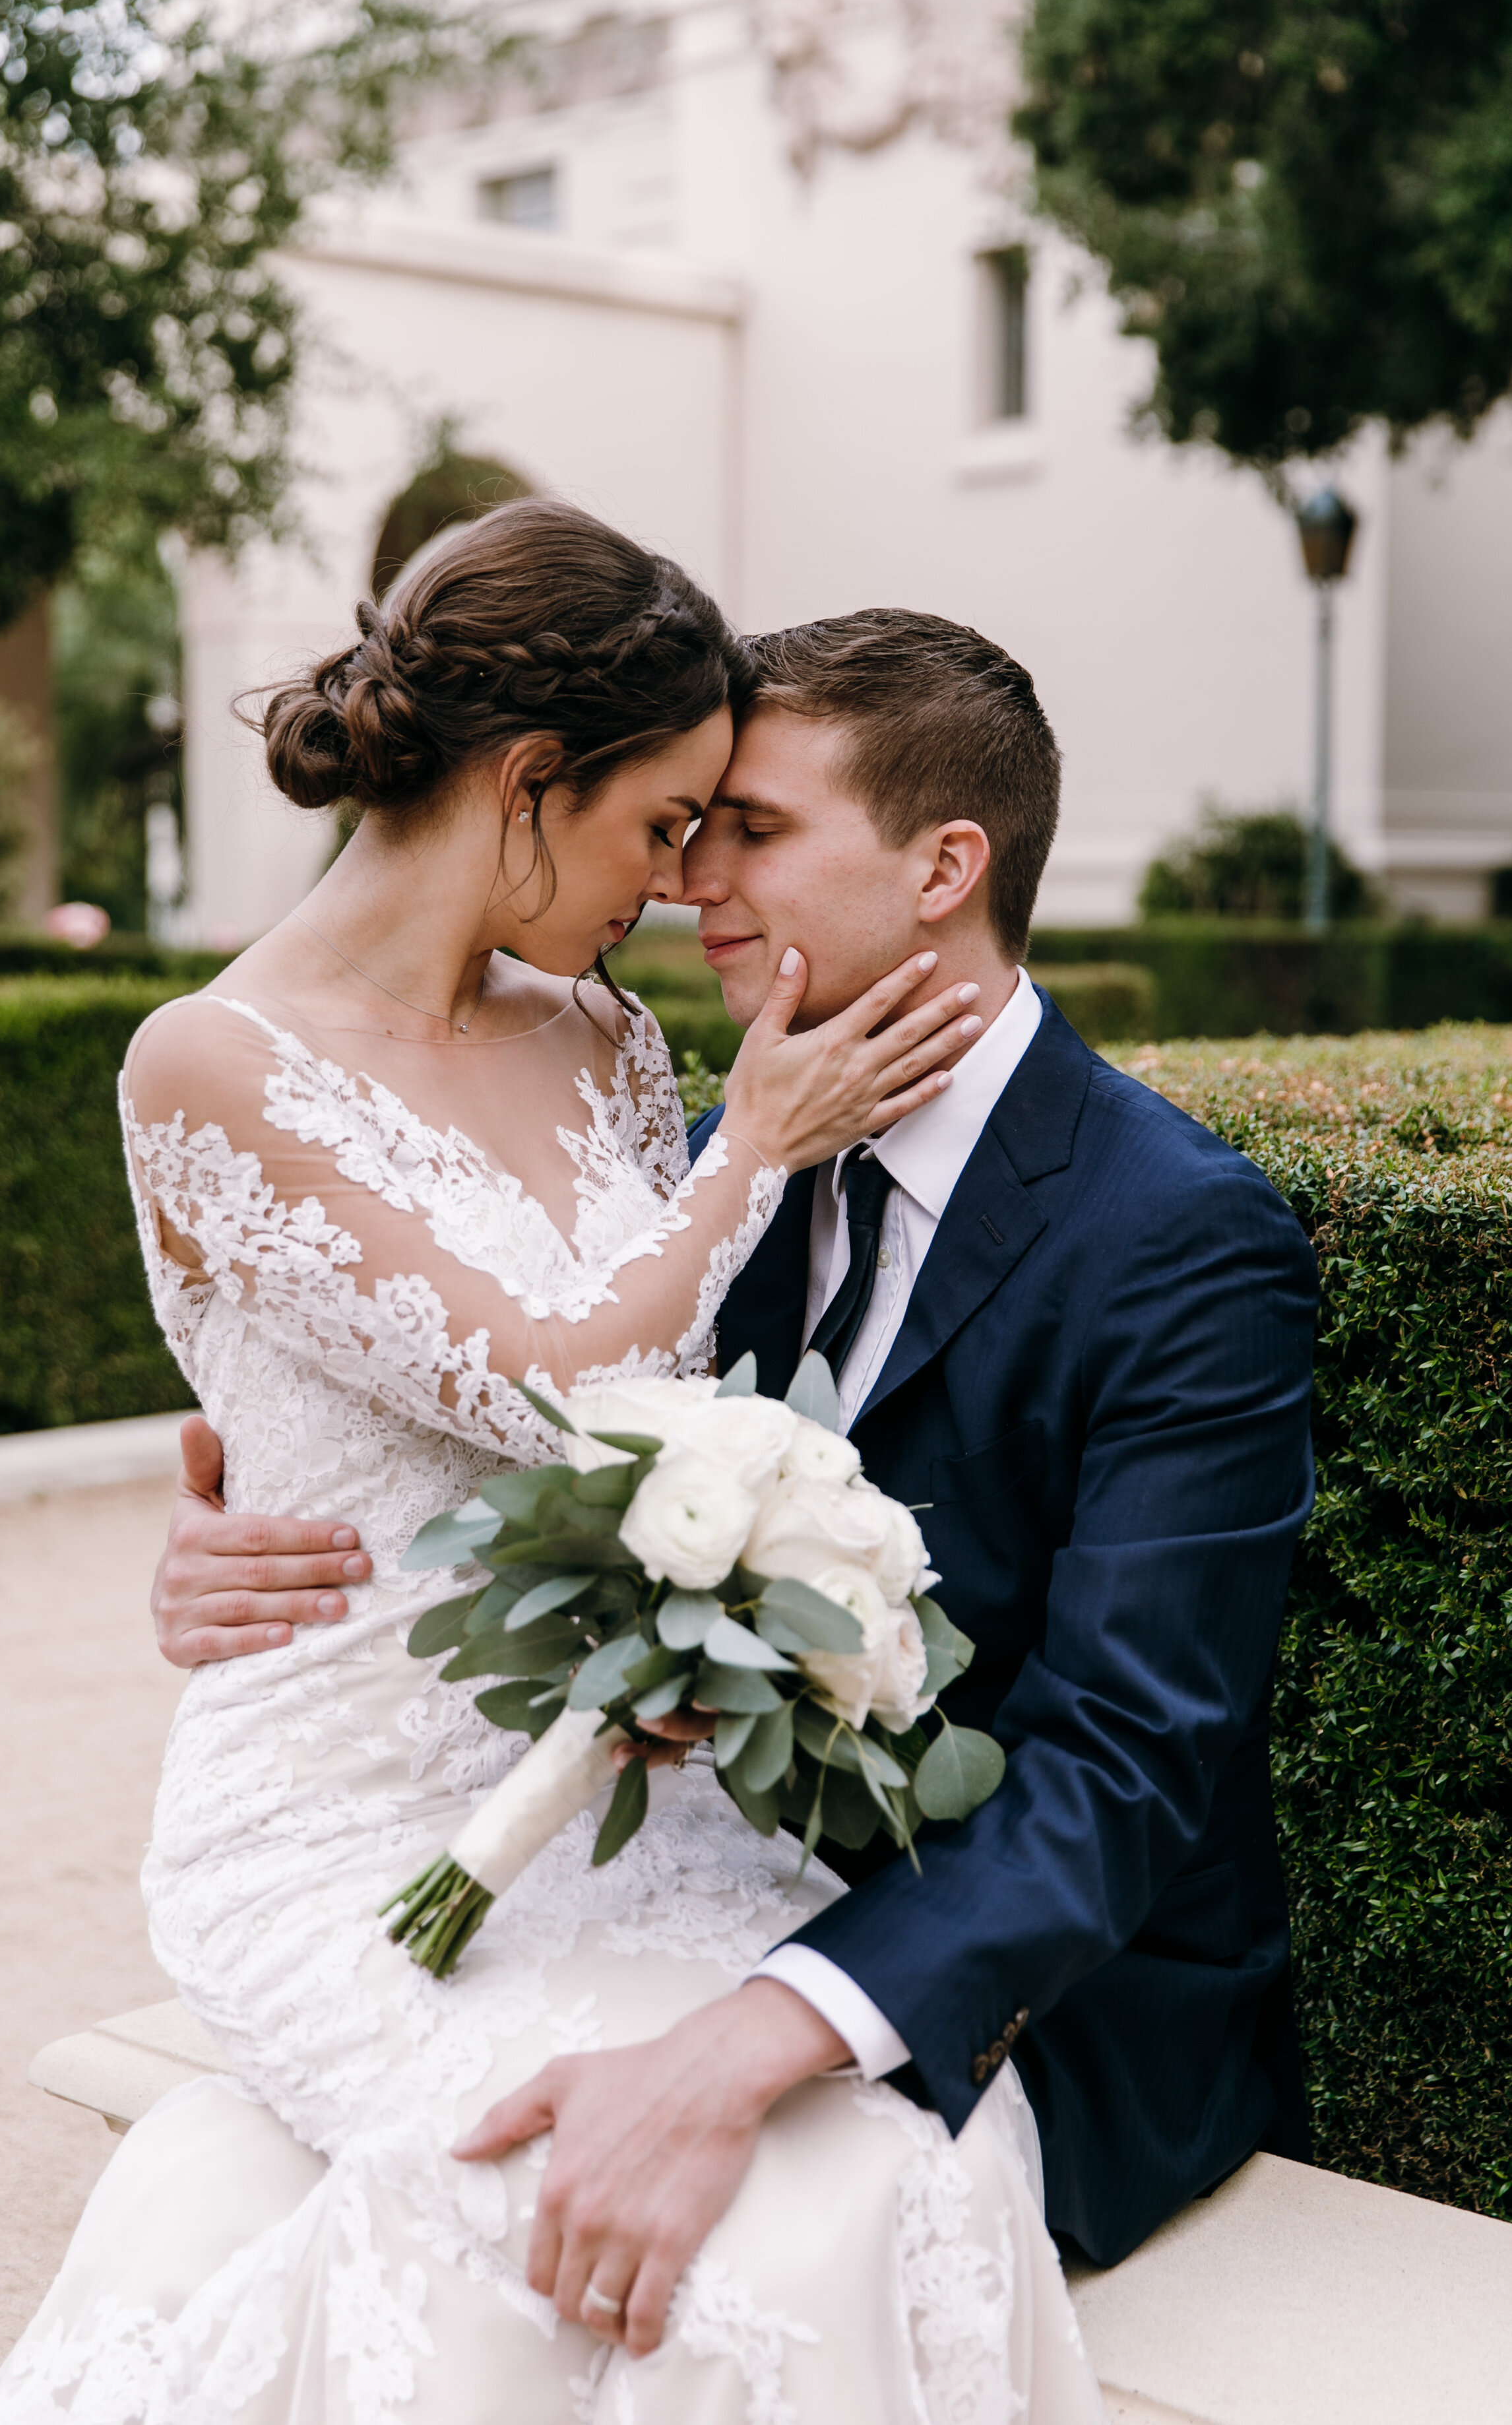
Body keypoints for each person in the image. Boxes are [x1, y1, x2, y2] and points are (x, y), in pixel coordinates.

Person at [0, 507, 1100, 2425]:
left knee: (891, 2154)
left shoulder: (595, 1034)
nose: (677, 887)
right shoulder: (209, 1060)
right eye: (664, 823)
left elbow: (698, 1383)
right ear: (525, 785)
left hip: (635, 1802)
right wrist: (755, 1140)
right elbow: (563, 1386)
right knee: (571, 2202)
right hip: (344, 1830)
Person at [148, 603, 1319, 2294]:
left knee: (650, 2250)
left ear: (943, 868)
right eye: (686, 829)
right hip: (668, 1887)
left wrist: (751, 2042)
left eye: (751, 832)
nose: (695, 883)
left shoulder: (1179, 1237)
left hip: (1040, 1996)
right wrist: (236, 1522)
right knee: (361, 2196)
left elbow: (1124, 1762)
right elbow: (477, 1405)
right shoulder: (709, 1171)